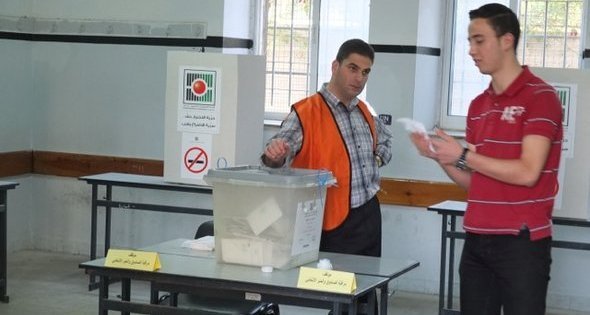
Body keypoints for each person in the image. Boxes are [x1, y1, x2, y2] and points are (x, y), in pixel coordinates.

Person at [409, 4, 562, 315]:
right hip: (477, 239)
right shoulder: (479, 105)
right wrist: (443, 158)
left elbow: (528, 172)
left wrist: (463, 154)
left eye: (479, 40)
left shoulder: (541, 97)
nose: (471, 50)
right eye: (469, 42)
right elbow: (474, 183)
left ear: (507, 40)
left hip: (521, 242)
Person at [262, 38, 392, 259]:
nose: (359, 78)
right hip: (327, 222)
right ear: (335, 66)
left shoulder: (365, 112)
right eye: (353, 68)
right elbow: (276, 157)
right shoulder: (306, 112)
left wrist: (376, 160)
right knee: (331, 288)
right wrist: (274, 155)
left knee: (367, 289)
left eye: (366, 72)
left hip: (368, 215)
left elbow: (386, 143)